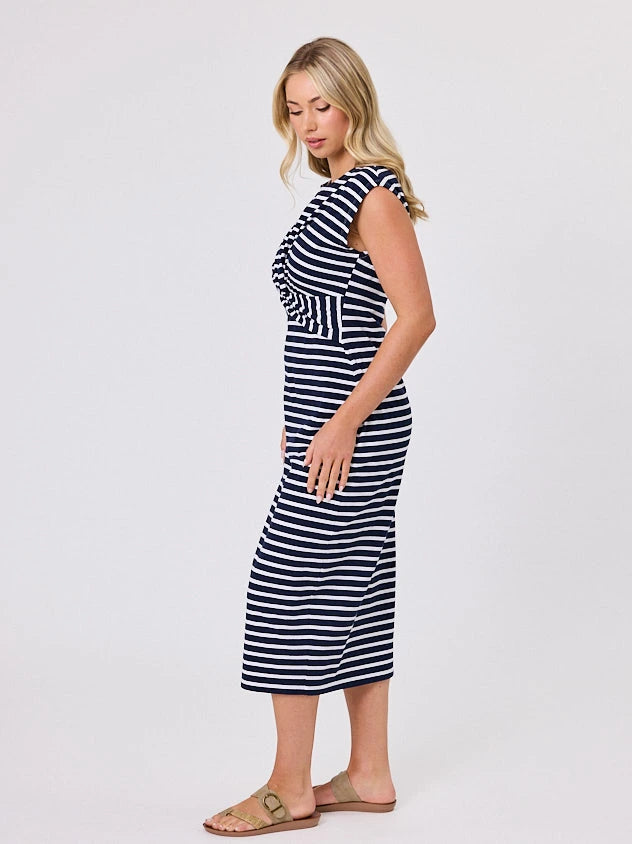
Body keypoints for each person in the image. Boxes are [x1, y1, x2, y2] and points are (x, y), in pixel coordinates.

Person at [204, 36, 435, 836]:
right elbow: (327, 323)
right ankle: (368, 774)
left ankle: (288, 787)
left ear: (353, 103)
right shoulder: (333, 191)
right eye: (295, 109)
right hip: (326, 421)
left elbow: (416, 319)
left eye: (322, 105)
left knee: (286, 590)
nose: (307, 123)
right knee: (357, 589)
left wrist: (339, 421)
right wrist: (303, 416)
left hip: (355, 426)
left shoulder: (371, 193)